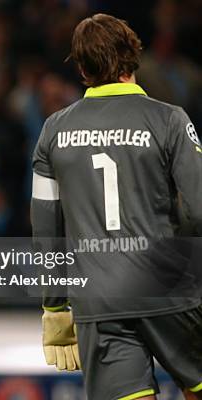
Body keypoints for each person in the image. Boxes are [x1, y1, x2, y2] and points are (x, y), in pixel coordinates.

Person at [31, 14, 202, 400]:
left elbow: (45, 228)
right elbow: (199, 210)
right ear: (133, 56)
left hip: (98, 298)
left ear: (81, 67)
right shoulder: (170, 121)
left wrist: (55, 305)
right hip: (167, 284)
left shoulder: (53, 130)